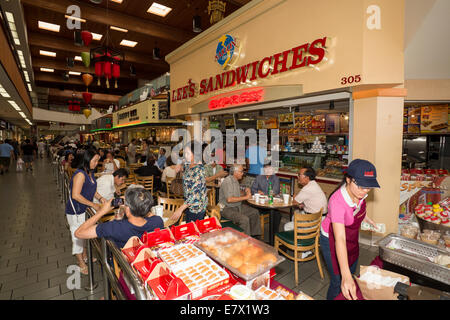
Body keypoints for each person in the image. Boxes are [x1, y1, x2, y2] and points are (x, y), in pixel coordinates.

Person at [320, 159, 380, 300]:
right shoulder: (337, 202)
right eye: (361, 186)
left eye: (368, 187)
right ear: (348, 179)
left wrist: (364, 217)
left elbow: (356, 207)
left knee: (351, 267)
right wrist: (345, 276)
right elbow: (339, 239)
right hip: (332, 239)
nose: (365, 191)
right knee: (338, 281)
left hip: (350, 237)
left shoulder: (359, 192)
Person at [75, 187, 183, 249]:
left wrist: (103, 211)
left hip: (123, 266)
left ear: (128, 209)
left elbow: (79, 233)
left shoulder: (114, 227)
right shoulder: (157, 221)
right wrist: (132, 205)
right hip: (143, 260)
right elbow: (147, 213)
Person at [65, 149, 106, 275]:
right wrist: (93, 204)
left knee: (84, 234)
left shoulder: (90, 172)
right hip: (76, 211)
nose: (96, 163)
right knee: (77, 236)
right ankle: (80, 262)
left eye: (97, 160)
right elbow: (76, 195)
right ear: (87, 160)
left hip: (85, 209)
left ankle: (84, 255)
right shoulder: (80, 174)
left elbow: (91, 189)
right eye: (94, 160)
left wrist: (100, 198)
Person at [218, 164, 261, 236]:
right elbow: (229, 199)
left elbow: (237, 194)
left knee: (255, 212)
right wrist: (246, 197)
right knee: (244, 219)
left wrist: (245, 192)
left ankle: (254, 237)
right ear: (235, 172)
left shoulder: (235, 180)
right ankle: (245, 240)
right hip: (226, 208)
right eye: (241, 171)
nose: (243, 173)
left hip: (236, 205)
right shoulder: (228, 181)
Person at [172, 140, 208, 223]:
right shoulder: (189, 164)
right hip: (188, 203)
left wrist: (180, 209)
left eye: (188, 153)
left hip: (196, 207)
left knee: (194, 231)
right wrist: (179, 165)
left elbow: (194, 195)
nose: (185, 155)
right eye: (185, 153)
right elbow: (183, 162)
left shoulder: (198, 171)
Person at [251, 163, 282, 233]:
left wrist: (263, 193)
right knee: (253, 212)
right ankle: (256, 233)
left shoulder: (276, 178)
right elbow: (253, 189)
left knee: (277, 215)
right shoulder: (259, 177)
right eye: (266, 169)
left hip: (270, 204)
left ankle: (274, 234)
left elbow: (275, 191)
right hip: (259, 204)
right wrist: (257, 191)